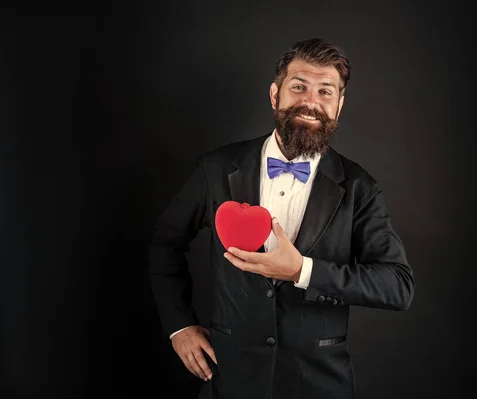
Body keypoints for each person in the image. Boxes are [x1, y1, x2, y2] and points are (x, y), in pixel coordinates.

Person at [148, 37, 415, 399]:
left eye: (325, 91)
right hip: (229, 381)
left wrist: (303, 271)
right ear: (275, 95)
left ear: (339, 106)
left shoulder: (361, 188)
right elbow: (165, 242)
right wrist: (179, 326)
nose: (310, 102)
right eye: (299, 87)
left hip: (319, 384)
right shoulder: (216, 168)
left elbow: (396, 285)